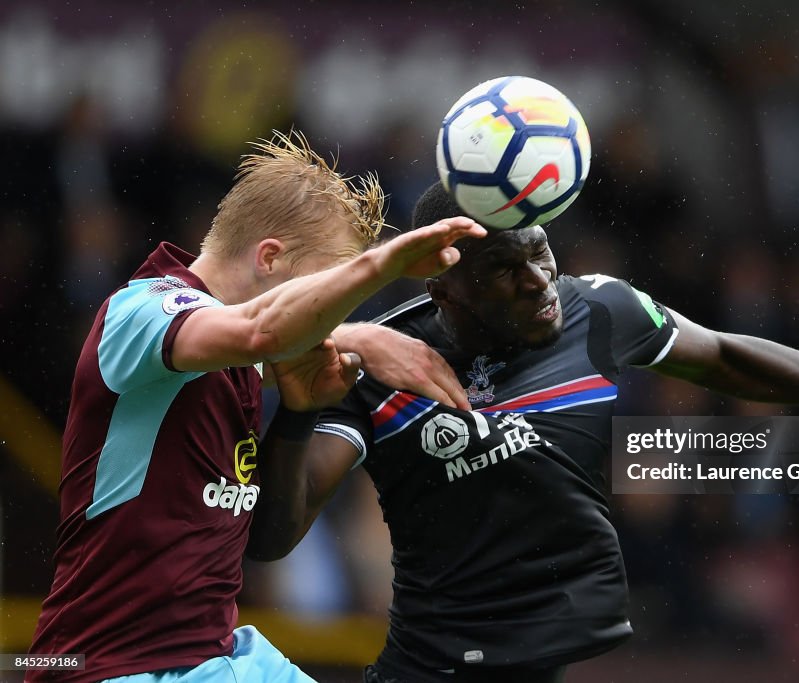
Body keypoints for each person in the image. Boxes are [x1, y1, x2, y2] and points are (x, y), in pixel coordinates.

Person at [246, 181, 799, 683]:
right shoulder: (375, 365)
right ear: (446, 287)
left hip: (552, 663)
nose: (539, 279)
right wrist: (303, 409)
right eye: (506, 269)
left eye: (540, 250)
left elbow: (734, 355)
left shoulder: (597, 310)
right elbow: (274, 535)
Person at [27, 135, 485, 683]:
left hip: (216, 656)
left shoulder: (247, 361)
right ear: (269, 258)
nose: (328, 311)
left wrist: (300, 412)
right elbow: (260, 328)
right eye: (327, 286)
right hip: (106, 666)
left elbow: (268, 542)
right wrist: (383, 269)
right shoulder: (140, 312)